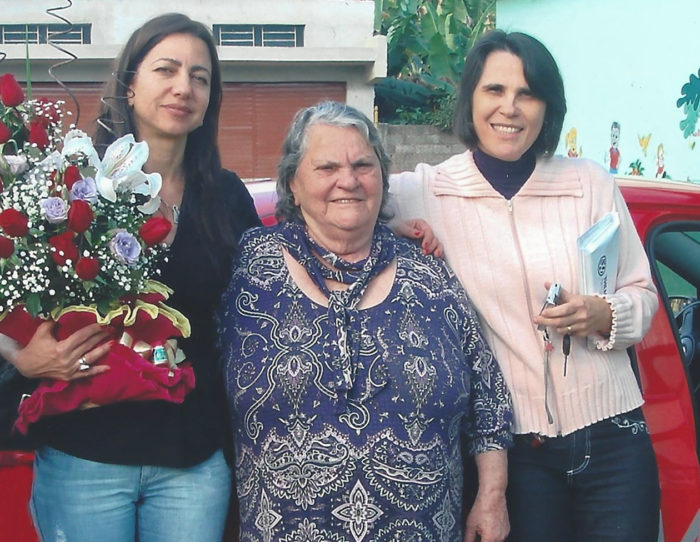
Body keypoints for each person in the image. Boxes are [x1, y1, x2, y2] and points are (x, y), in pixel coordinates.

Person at [390, 30, 660, 542]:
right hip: (512, 452)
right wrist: (389, 229)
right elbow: (330, 203)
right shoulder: (425, 190)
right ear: (470, 98)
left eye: (527, 93)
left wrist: (605, 314)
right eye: (494, 90)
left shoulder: (590, 184)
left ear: (547, 108)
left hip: (614, 437)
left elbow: (642, 294)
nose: (509, 108)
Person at [0, 13, 261, 541]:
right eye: (166, 69)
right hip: (83, 454)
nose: (183, 87)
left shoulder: (227, 197)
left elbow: (277, 278)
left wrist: (397, 225)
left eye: (200, 76)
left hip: (191, 458)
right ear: (130, 83)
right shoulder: (70, 180)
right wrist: (18, 355)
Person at [217, 101, 514, 542]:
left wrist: (492, 496)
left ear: (382, 178)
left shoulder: (430, 274)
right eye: (327, 167)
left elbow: (487, 401)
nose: (349, 180)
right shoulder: (248, 266)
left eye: (363, 165)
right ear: (293, 184)